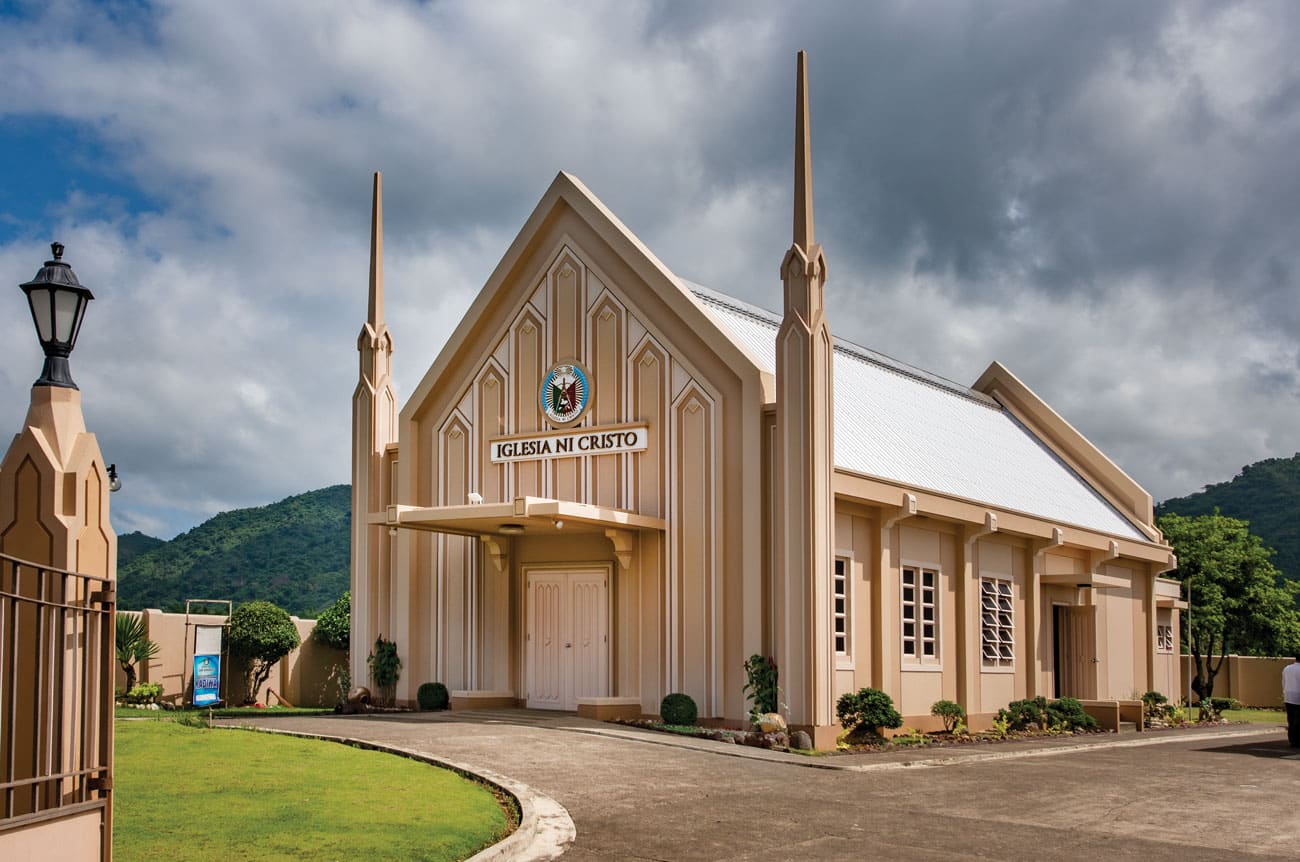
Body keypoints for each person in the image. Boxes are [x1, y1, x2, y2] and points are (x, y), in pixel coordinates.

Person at [1285, 652, 1300, 748]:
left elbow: (1284, 682)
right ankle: (1297, 741)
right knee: (1298, 720)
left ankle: (1292, 739)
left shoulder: (1287, 668)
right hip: (1298, 697)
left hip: (1288, 696)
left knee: (1291, 720)